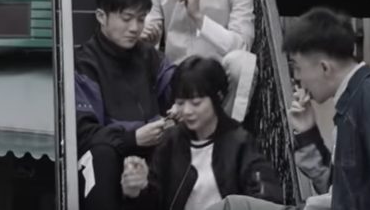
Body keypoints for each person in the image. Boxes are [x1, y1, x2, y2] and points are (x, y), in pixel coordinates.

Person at [205, 7, 370, 210]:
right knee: (233, 206)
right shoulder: (353, 102)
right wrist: (307, 132)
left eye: (298, 68)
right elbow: (335, 189)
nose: (297, 78)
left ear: (324, 67)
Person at [120, 56, 284, 210]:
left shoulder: (239, 142)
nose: (187, 111)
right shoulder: (171, 141)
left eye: (196, 103)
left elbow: (266, 196)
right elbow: (154, 200)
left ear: (218, 97)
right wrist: (138, 189)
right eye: (180, 103)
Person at [74, 0, 178, 210]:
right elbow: (83, 133)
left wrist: (180, 106)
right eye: (127, 18)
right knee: (101, 153)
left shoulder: (150, 56)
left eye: (141, 19)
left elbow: (178, 83)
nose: (135, 28)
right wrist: (133, 139)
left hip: (151, 157)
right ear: (101, 16)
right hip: (108, 159)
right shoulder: (84, 64)